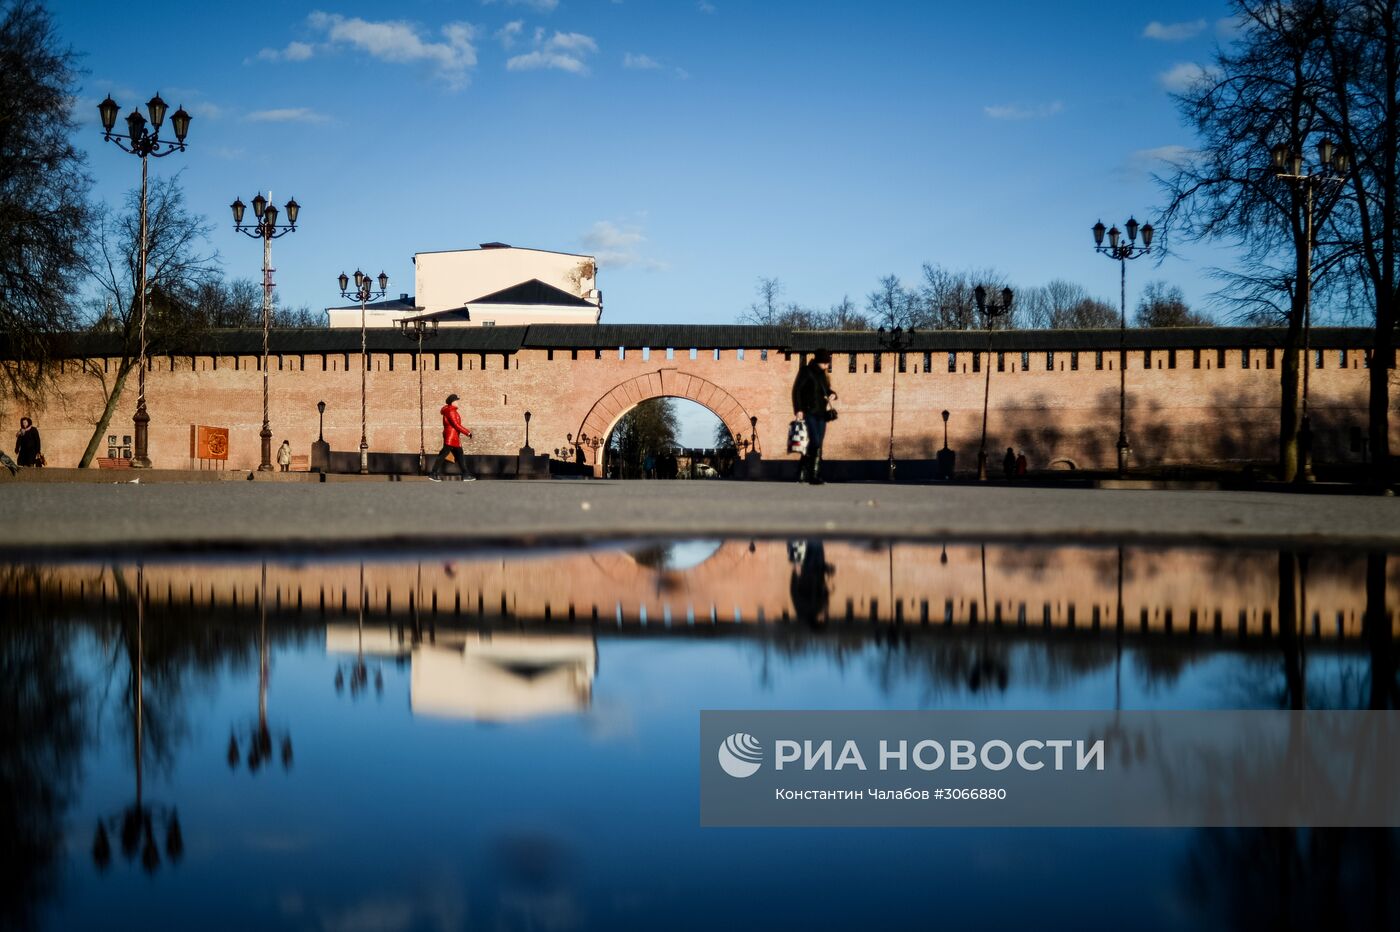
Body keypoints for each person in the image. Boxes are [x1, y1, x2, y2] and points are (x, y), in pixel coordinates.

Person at [791, 349, 836, 484]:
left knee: (817, 444)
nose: (827, 366)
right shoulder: (806, 371)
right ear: (820, 361)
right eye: (826, 363)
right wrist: (798, 409)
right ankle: (813, 476)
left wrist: (832, 394)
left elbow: (826, 390)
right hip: (809, 412)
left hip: (821, 414)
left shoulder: (822, 375)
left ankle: (803, 472)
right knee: (815, 442)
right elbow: (797, 390)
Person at [429, 394, 477, 481]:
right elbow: (456, 425)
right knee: (443, 455)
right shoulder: (451, 411)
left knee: (459, 456)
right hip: (451, 438)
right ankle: (433, 473)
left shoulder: (451, 411)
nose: (458, 402)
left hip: (453, 437)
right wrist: (468, 432)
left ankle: (466, 474)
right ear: (452, 402)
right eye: (456, 401)